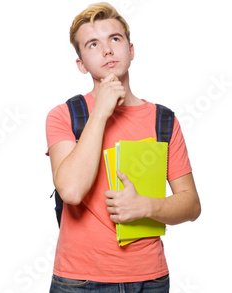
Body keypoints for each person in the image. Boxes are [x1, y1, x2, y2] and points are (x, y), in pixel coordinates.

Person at [46, 2, 201, 292]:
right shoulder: (64, 115)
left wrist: (146, 206)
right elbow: (71, 191)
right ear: (81, 64)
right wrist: (101, 112)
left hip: (150, 279)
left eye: (114, 39)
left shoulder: (163, 120)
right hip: (79, 281)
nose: (106, 50)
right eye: (93, 44)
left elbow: (191, 204)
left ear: (131, 50)